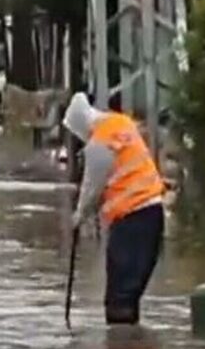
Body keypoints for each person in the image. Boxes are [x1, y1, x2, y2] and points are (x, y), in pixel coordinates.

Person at [63, 92, 165, 325]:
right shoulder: (121, 122)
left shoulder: (99, 141)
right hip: (153, 213)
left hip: (131, 220)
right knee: (129, 294)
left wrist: (79, 216)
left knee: (118, 298)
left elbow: (92, 187)